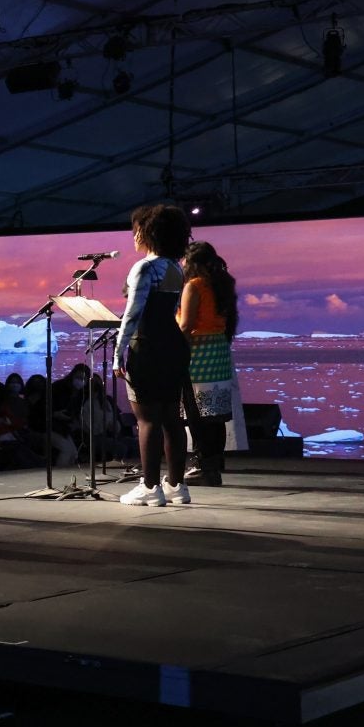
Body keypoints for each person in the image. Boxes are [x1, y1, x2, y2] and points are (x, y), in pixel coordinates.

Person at [115, 204, 193, 507]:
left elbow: (132, 314)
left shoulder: (145, 267)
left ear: (148, 232)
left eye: (137, 230)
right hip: (172, 347)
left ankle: (149, 487)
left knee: (146, 418)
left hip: (145, 346)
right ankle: (176, 484)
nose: (134, 236)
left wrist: (119, 352)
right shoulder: (176, 267)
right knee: (172, 418)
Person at [178, 240, 239, 486]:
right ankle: (213, 466)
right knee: (215, 415)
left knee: (197, 414)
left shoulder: (194, 285)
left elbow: (186, 325)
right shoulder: (222, 284)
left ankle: (202, 466)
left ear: (191, 262)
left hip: (198, 354)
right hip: (219, 353)